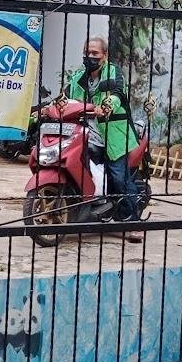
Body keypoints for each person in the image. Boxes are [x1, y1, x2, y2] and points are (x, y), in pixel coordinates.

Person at [64, 37, 141, 232]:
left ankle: (132, 222)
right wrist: (48, 108)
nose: (90, 56)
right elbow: (65, 96)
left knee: (118, 177)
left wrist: (106, 107)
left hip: (113, 135)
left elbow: (118, 93)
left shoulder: (113, 72)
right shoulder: (78, 76)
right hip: (86, 134)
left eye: (95, 53)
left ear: (104, 55)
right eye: (87, 52)